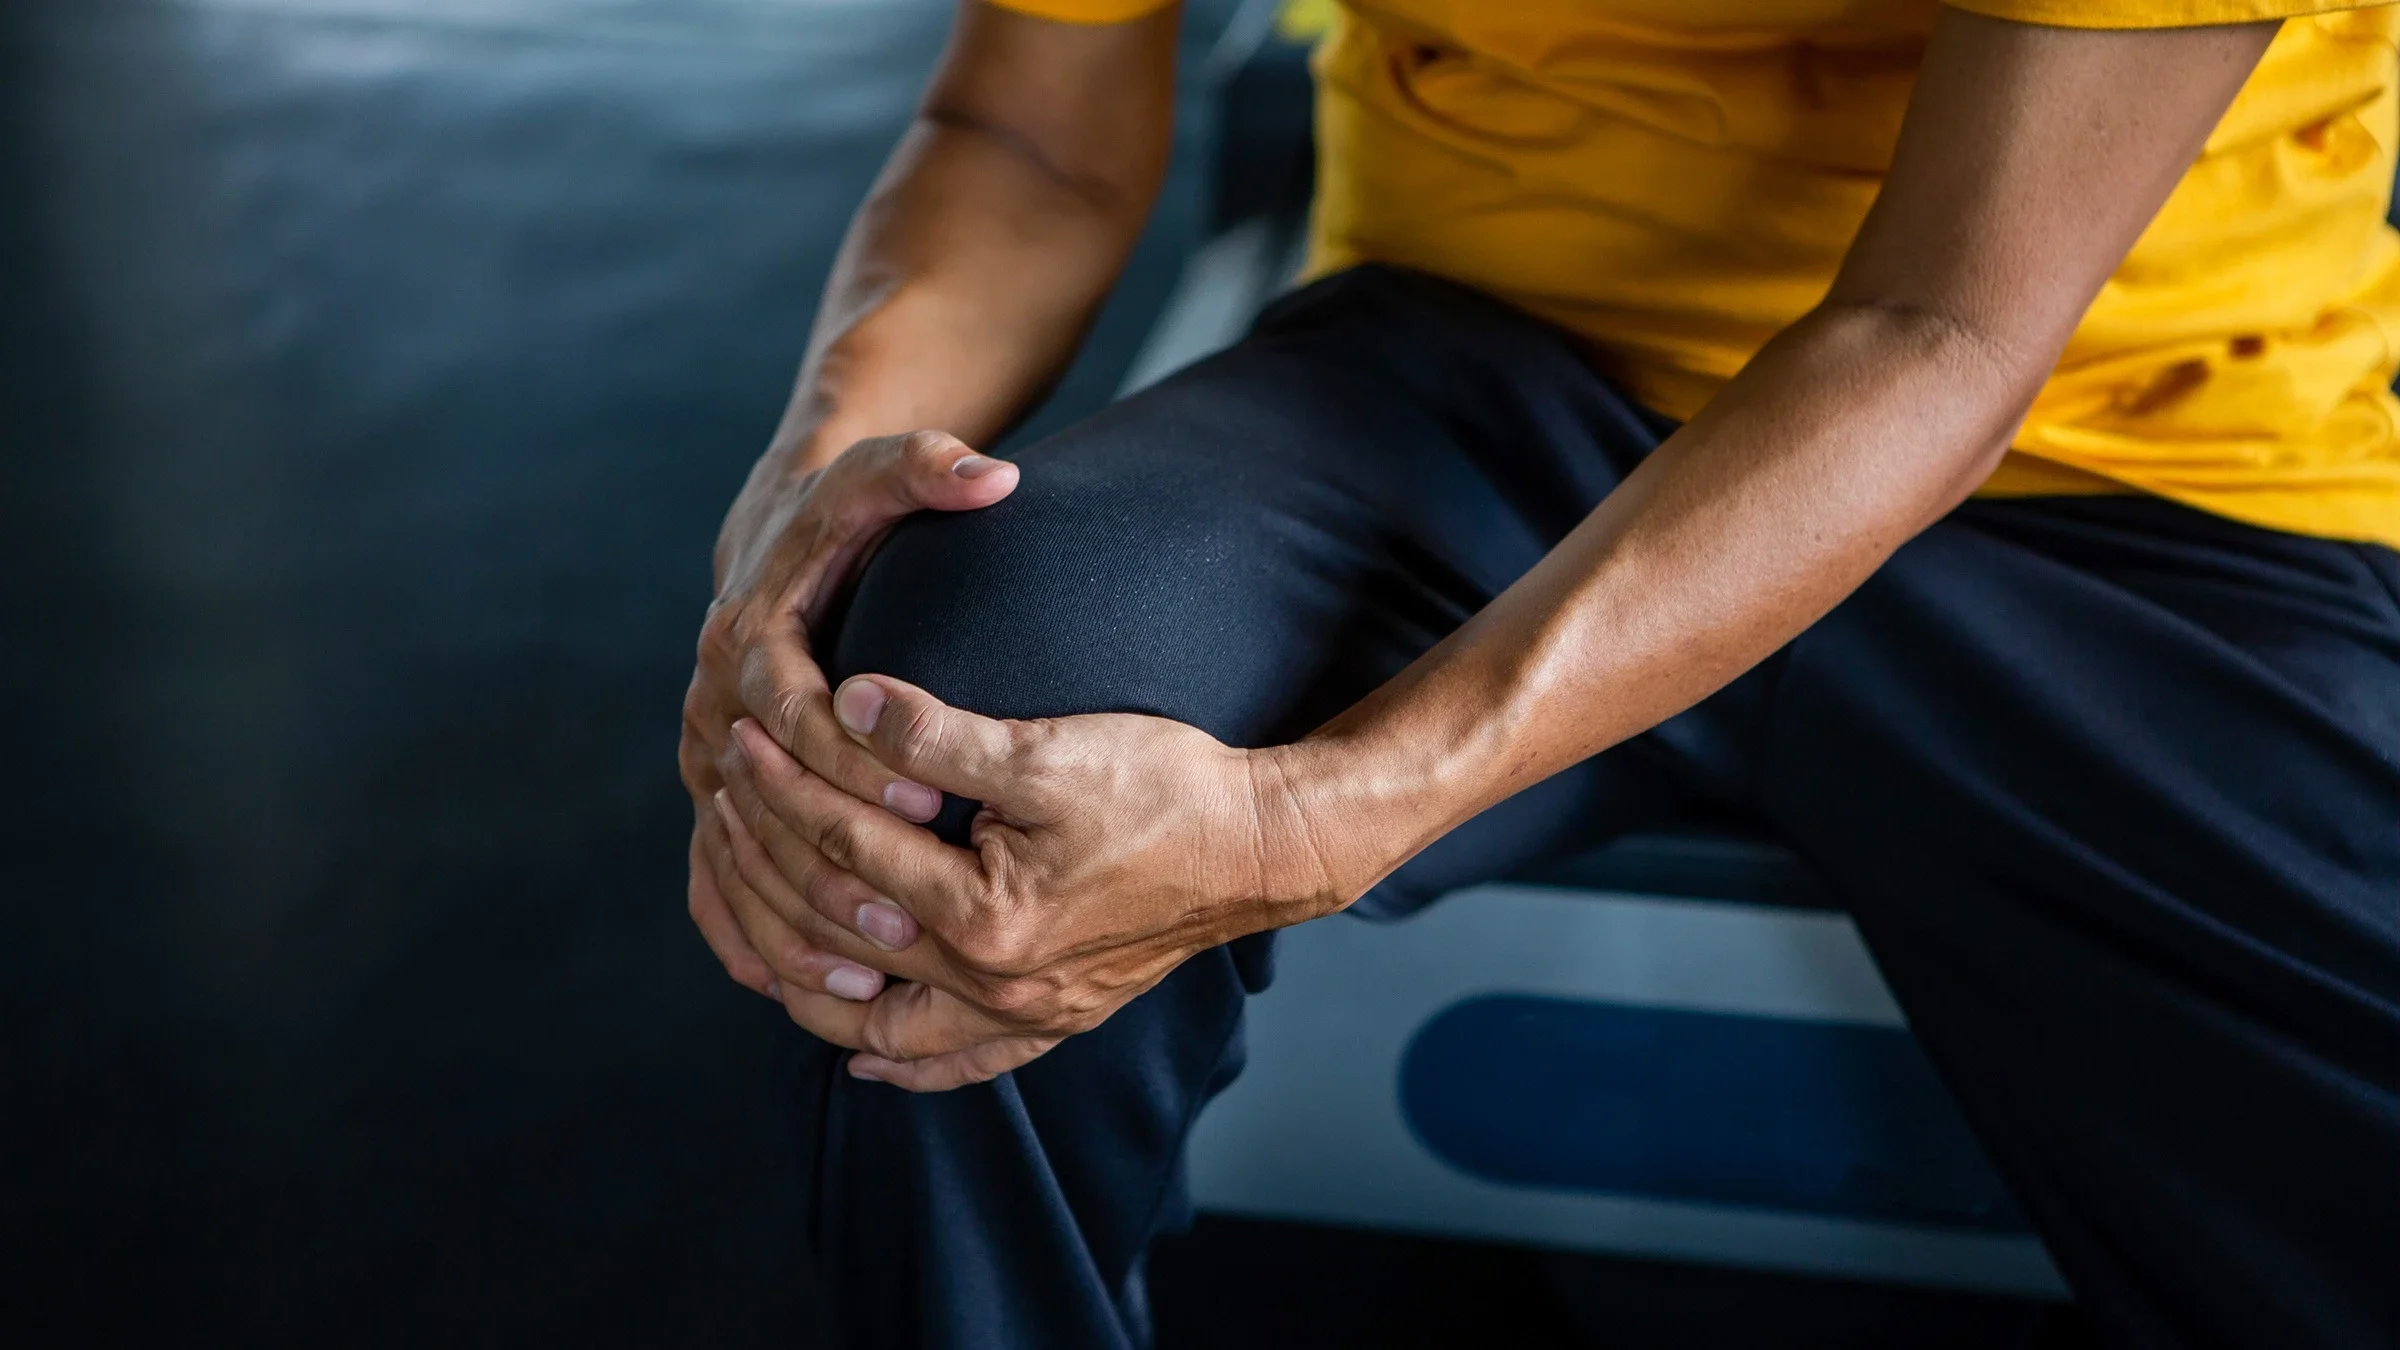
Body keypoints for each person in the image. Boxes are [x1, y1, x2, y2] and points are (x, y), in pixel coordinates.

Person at [676, 1, 2400, 1345]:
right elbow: (1027, 133)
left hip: (2115, 466)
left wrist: (1314, 815)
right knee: (926, 772)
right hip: (1461, 363)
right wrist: (801, 513)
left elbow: (1941, 333)